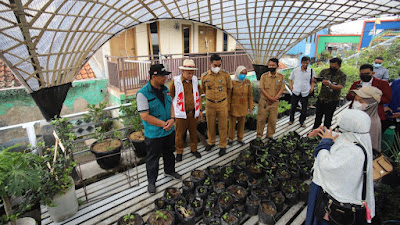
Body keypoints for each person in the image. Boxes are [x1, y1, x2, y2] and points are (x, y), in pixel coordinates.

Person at [305, 109, 375, 225]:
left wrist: (325, 142)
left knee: (321, 218)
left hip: (334, 201)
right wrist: (326, 132)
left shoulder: (353, 152)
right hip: (334, 195)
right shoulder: (358, 138)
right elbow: (343, 138)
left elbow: (325, 165)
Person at [137, 64, 181, 194]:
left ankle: (170, 171)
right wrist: (163, 124)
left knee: (169, 153)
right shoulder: (142, 94)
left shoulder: (165, 89)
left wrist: (172, 119)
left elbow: (171, 104)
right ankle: (152, 182)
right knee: (153, 158)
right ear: (154, 76)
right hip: (154, 133)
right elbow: (144, 116)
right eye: (163, 76)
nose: (166, 78)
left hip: (169, 130)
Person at [169, 59, 202, 162]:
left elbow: (199, 95)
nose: (191, 75)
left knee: (193, 132)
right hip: (180, 114)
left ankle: (194, 149)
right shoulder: (176, 81)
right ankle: (179, 152)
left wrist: (199, 110)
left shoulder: (195, 80)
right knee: (179, 135)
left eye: (192, 73)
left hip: (193, 113)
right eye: (188, 73)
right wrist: (172, 115)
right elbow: (171, 97)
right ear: (182, 71)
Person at [201, 54, 232, 156]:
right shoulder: (204, 76)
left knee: (223, 126)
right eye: (215, 65)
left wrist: (223, 99)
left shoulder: (225, 75)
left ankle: (222, 145)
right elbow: (203, 89)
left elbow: (228, 89)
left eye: (219, 65)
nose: (217, 67)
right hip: (210, 104)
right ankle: (211, 142)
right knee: (210, 125)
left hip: (222, 103)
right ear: (210, 64)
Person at [346, 64, 391, 128]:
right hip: (356, 114)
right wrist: (355, 94)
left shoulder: (382, 84)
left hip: (373, 114)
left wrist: (370, 98)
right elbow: (348, 97)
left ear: (373, 73)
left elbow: (387, 99)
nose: (364, 76)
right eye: (362, 74)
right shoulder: (356, 84)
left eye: (367, 73)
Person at [312, 58, 347, 129]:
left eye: (334, 67)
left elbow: (340, 86)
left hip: (332, 100)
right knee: (318, 117)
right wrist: (315, 80)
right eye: (331, 66)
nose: (332, 68)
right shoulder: (325, 71)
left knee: (328, 119)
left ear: (339, 66)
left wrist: (330, 85)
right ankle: (314, 132)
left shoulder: (342, 75)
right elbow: (317, 80)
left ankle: (325, 134)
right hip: (321, 98)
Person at [256, 58, 285, 139]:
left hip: (275, 102)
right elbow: (262, 88)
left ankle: (270, 135)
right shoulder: (264, 76)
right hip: (264, 102)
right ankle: (259, 136)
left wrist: (275, 98)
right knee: (261, 119)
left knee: (272, 120)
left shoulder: (281, 77)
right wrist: (269, 98)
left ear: (277, 66)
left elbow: (282, 88)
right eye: (270, 65)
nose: (271, 66)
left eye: (273, 65)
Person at [351, 86, 383, 152]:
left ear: (371, 104)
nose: (356, 103)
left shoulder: (371, 123)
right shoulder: (359, 117)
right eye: (356, 100)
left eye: (361, 101)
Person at [228, 66, 253, 145]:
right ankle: (230, 138)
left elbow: (250, 96)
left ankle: (240, 138)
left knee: (242, 124)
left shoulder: (247, 82)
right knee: (232, 124)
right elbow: (229, 96)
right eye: (242, 73)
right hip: (234, 106)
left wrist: (250, 107)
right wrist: (228, 107)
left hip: (243, 106)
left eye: (245, 74)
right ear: (238, 73)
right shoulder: (232, 82)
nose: (243, 75)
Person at [288, 56, 315, 127]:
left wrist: (311, 88)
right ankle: (291, 120)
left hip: (305, 91)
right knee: (293, 106)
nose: (305, 65)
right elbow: (290, 79)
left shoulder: (311, 71)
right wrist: (291, 88)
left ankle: (302, 121)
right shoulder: (295, 70)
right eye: (304, 63)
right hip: (296, 91)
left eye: (307, 63)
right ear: (301, 62)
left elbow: (313, 81)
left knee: (304, 108)